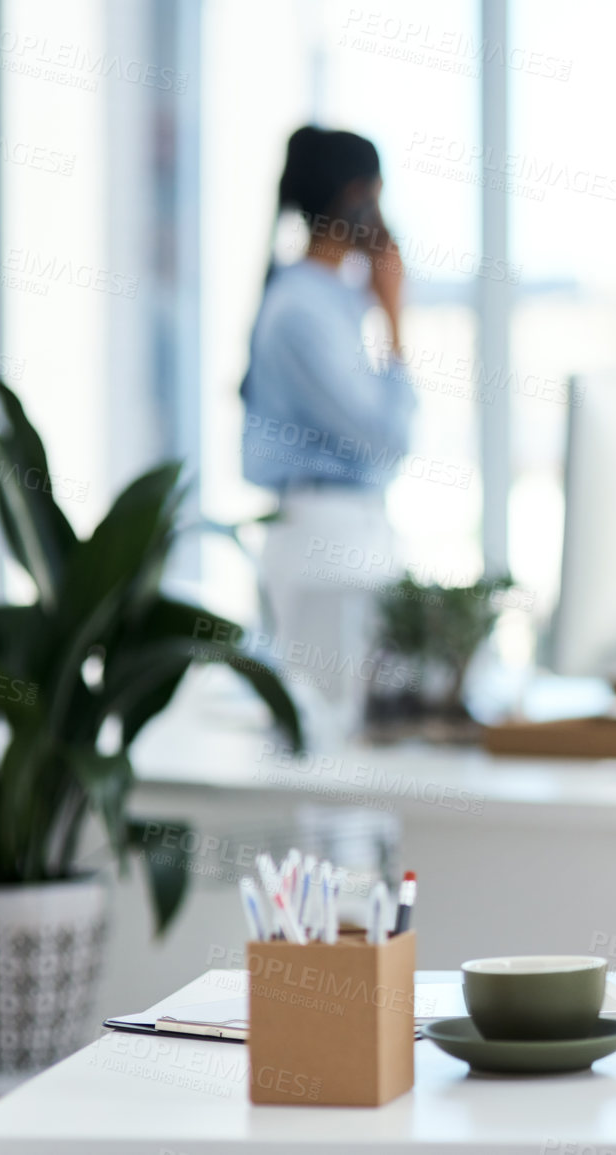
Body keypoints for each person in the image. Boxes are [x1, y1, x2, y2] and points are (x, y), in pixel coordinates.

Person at [240, 126, 415, 742]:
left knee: (355, 746)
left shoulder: (330, 301)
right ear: (356, 198)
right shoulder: (304, 308)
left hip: (345, 530)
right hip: (323, 538)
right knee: (331, 749)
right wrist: (395, 314)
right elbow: (385, 435)